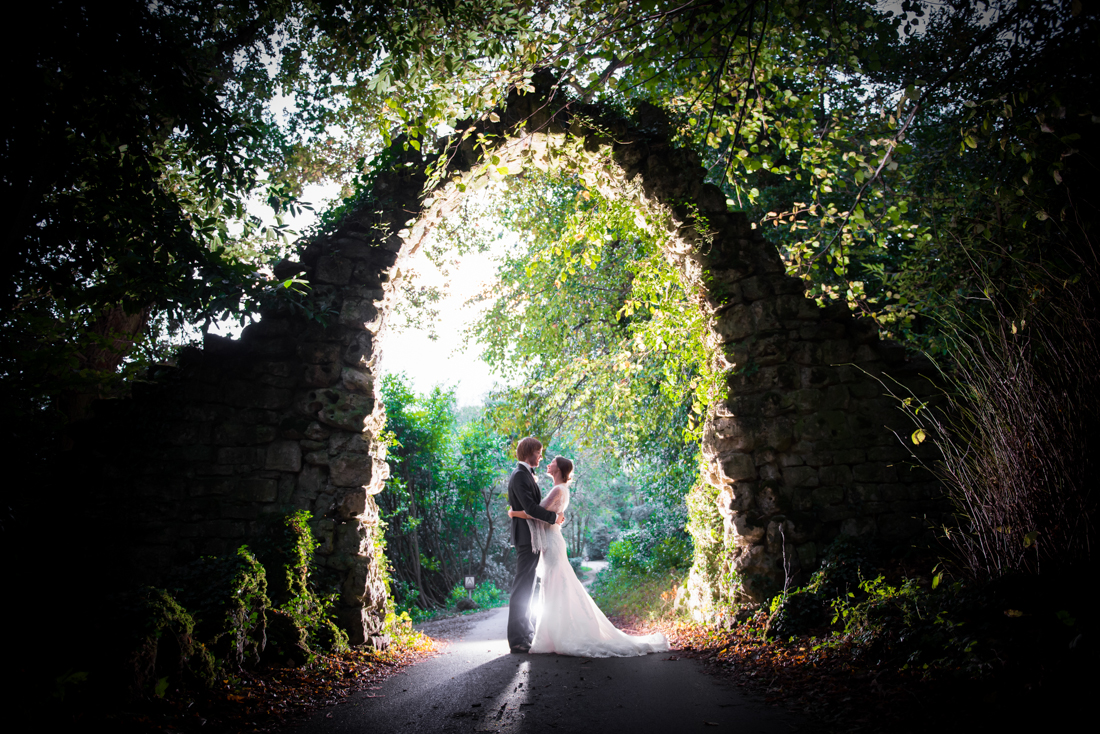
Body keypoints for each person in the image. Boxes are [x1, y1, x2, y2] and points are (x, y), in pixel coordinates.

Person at [508, 456, 669, 658]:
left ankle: (560, 633)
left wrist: (514, 513)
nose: (547, 463)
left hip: (552, 541)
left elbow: (535, 512)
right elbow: (543, 512)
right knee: (554, 585)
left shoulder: (558, 490)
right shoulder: (560, 489)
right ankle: (552, 632)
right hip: (552, 539)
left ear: (559, 469)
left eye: (552, 462)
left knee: (557, 585)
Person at [506, 436, 564, 653]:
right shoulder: (520, 475)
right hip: (525, 538)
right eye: (539, 452)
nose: (541, 455)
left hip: (530, 536)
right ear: (529, 452)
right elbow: (530, 508)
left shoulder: (525, 475)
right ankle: (517, 639)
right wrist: (553, 518)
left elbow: (527, 507)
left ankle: (526, 632)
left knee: (528, 586)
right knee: (522, 587)